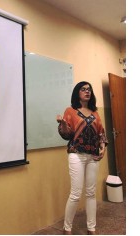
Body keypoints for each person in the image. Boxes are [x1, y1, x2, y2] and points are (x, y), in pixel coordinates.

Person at [56, 81, 108, 235]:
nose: (87, 91)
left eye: (89, 89)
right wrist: (63, 125)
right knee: (76, 193)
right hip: (76, 154)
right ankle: (67, 228)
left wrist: (103, 147)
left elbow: (101, 133)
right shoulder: (70, 111)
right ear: (77, 92)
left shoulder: (95, 112)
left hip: (93, 155)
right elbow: (67, 135)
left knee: (91, 193)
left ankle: (91, 228)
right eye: (83, 89)